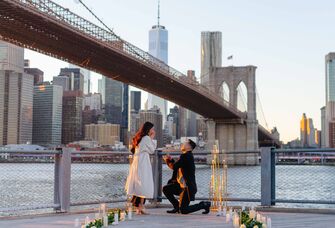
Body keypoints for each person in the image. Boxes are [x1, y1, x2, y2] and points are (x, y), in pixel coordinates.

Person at [163, 139, 211, 214]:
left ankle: (204, 205)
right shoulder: (186, 155)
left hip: (187, 188)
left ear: (189, 147)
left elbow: (174, 167)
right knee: (166, 189)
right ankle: (176, 206)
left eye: (185, 143)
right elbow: (177, 165)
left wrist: (167, 160)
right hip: (181, 186)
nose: (182, 144)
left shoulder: (186, 156)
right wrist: (171, 160)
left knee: (184, 210)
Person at [125, 122, 157, 215]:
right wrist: (152, 138)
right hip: (143, 162)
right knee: (144, 184)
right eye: (152, 128)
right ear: (148, 129)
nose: (153, 130)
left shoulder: (138, 137)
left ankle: (139, 207)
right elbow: (152, 150)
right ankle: (140, 207)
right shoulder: (146, 138)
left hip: (137, 162)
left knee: (140, 184)